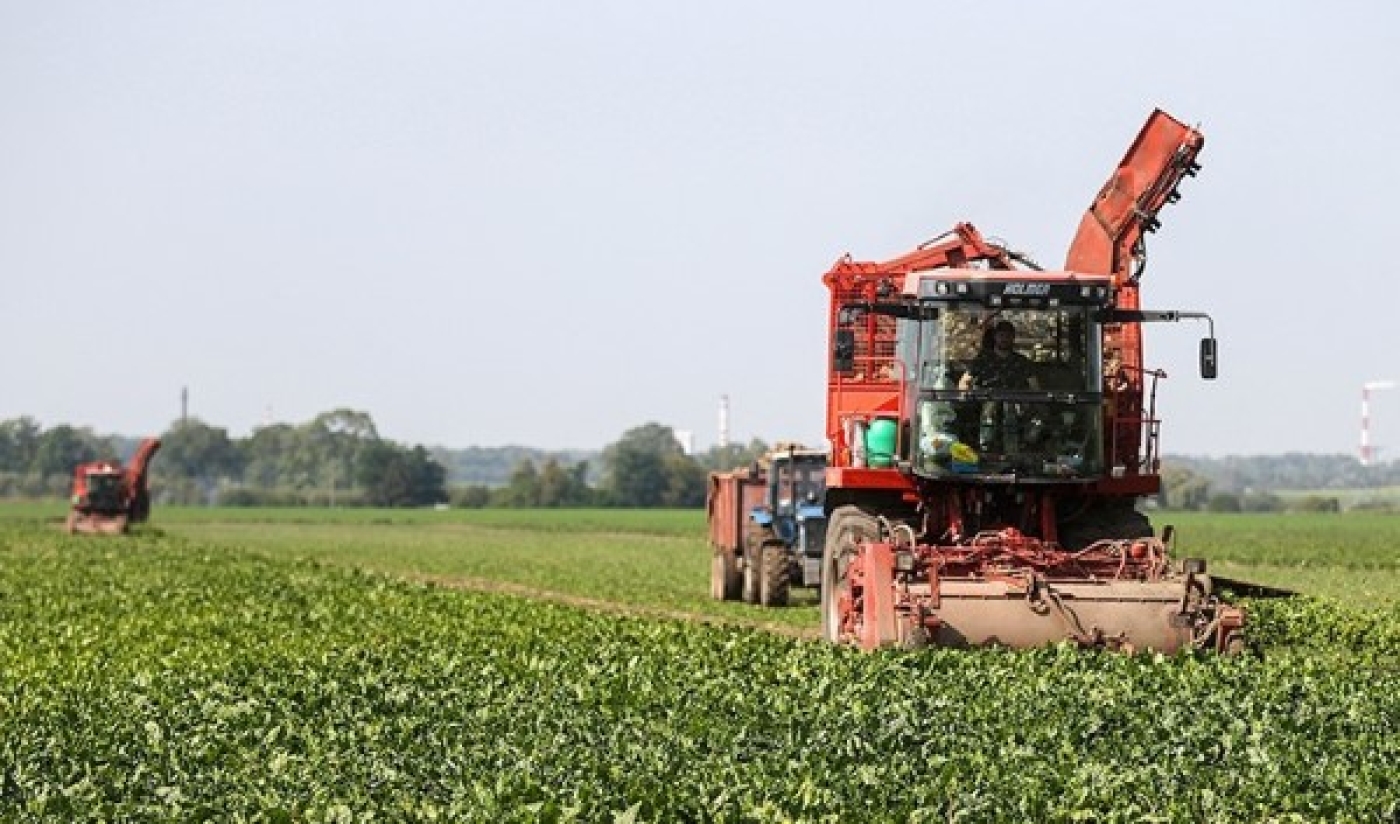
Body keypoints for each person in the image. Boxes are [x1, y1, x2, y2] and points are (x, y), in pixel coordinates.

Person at [958, 320, 1039, 390]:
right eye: (1001, 335)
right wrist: (968, 395)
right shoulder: (982, 359)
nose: (1004, 339)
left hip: (1015, 401)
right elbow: (964, 382)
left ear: (1013, 338)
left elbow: (1035, 387)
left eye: (1008, 336)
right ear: (995, 337)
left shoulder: (1022, 361)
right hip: (987, 399)